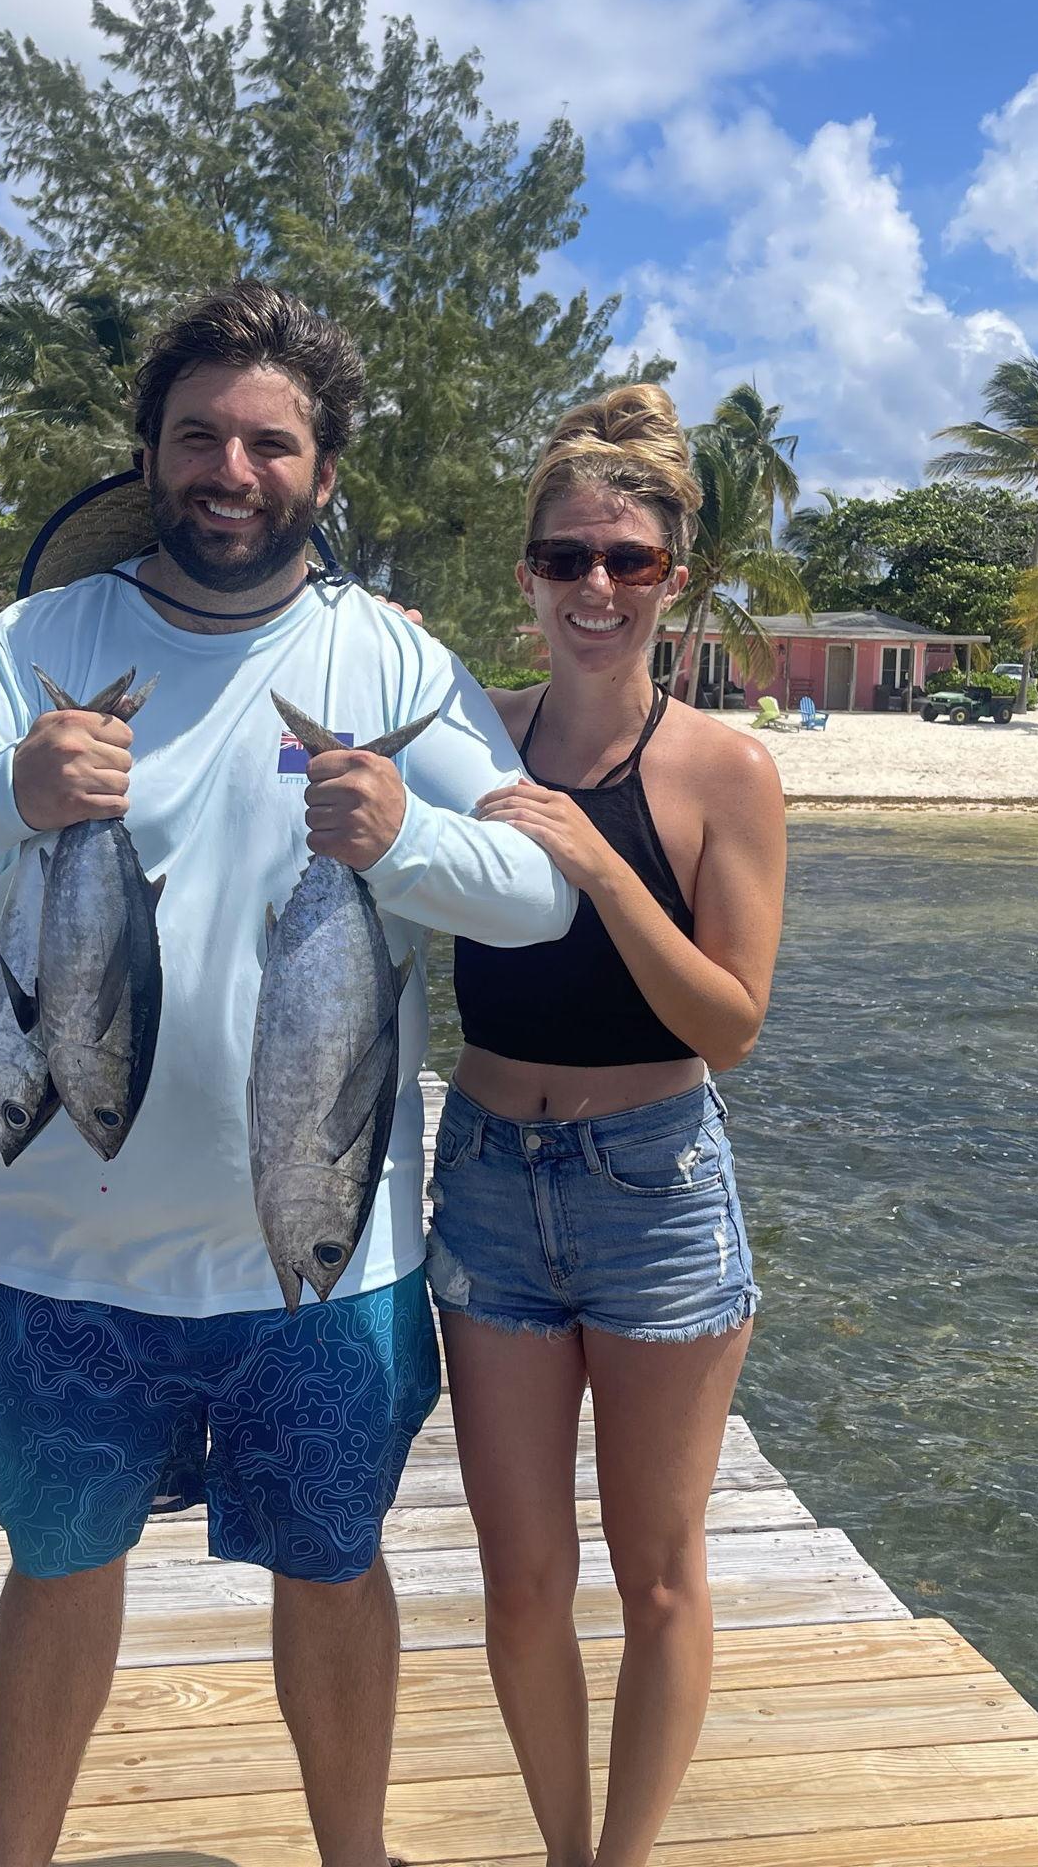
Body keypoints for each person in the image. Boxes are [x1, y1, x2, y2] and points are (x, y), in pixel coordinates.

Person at [0, 282, 575, 1867]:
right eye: (199, 435)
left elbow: (539, 889)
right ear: (150, 453)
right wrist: (1, 784)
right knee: (60, 1561)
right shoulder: (37, 645)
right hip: (64, 1250)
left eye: (270, 442)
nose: (233, 469)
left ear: (326, 472)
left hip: (322, 1258)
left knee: (335, 1565)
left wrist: (406, 837)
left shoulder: (391, 662)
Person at [431, 382, 787, 1867]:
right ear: (527, 573)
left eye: (626, 561)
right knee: (521, 1578)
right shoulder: (467, 738)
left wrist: (597, 861)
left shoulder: (724, 771)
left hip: (653, 1187)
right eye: (566, 557)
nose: (594, 586)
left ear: (673, 581)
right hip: (489, 1182)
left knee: (656, 1573)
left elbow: (733, 1024)